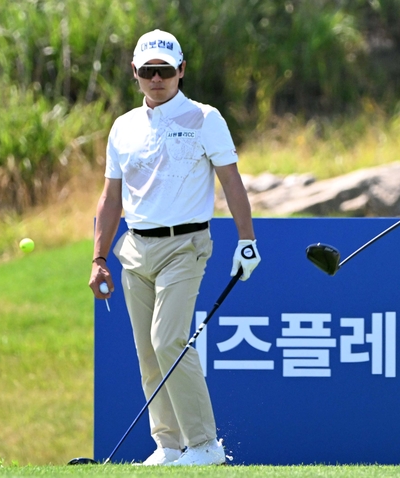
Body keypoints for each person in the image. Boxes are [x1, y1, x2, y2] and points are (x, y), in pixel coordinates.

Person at [89, 29, 261, 466]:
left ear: (181, 70)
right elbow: (111, 198)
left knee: (169, 341)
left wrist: (247, 240)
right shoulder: (123, 126)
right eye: (148, 71)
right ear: (135, 73)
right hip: (134, 248)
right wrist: (99, 257)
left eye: (165, 70)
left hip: (185, 245)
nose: (157, 78)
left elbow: (232, 184)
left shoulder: (205, 118)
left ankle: (205, 446)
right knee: (148, 351)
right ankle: (167, 444)